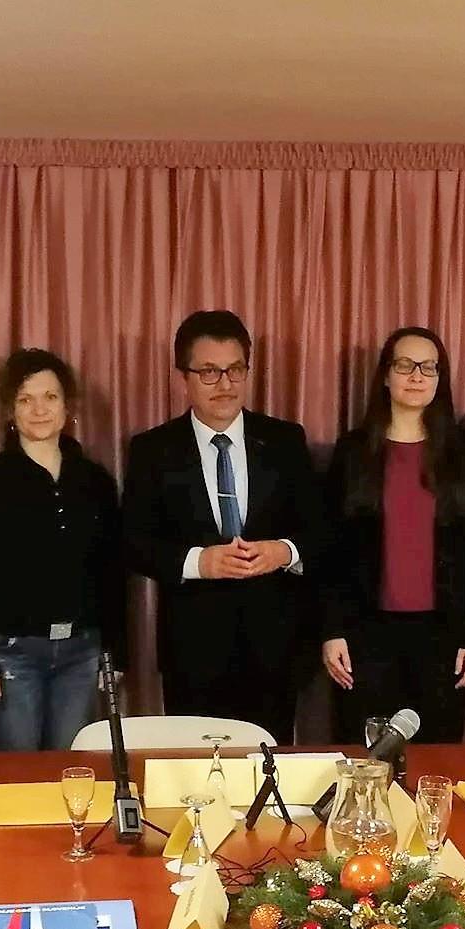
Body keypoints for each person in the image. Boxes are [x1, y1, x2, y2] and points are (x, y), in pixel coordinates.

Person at [122, 310, 326, 741]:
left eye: (235, 370)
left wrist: (283, 552)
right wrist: (199, 562)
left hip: (275, 646)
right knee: (197, 769)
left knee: (267, 767)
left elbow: (319, 529)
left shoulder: (285, 440)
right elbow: (134, 542)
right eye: (209, 372)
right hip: (193, 649)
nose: (225, 384)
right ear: (183, 378)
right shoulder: (152, 449)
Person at [321, 327, 465, 743]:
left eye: (428, 367)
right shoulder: (353, 452)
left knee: (435, 760)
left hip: (444, 638)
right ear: (385, 375)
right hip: (365, 637)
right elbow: (330, 551)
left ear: (440, 379)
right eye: (405, 365)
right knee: (366, 760)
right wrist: (332, 630)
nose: (417, 376)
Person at [0, 349, 125, 751]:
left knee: (72, 772)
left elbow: (113, 570)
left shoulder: (95, 480)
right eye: (26, 399)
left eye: (50, 397)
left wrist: (116, 653)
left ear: (67, 405)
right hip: (12, 656)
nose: (39, 409)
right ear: (10, 410)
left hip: (83, 653)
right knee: (20, 777)